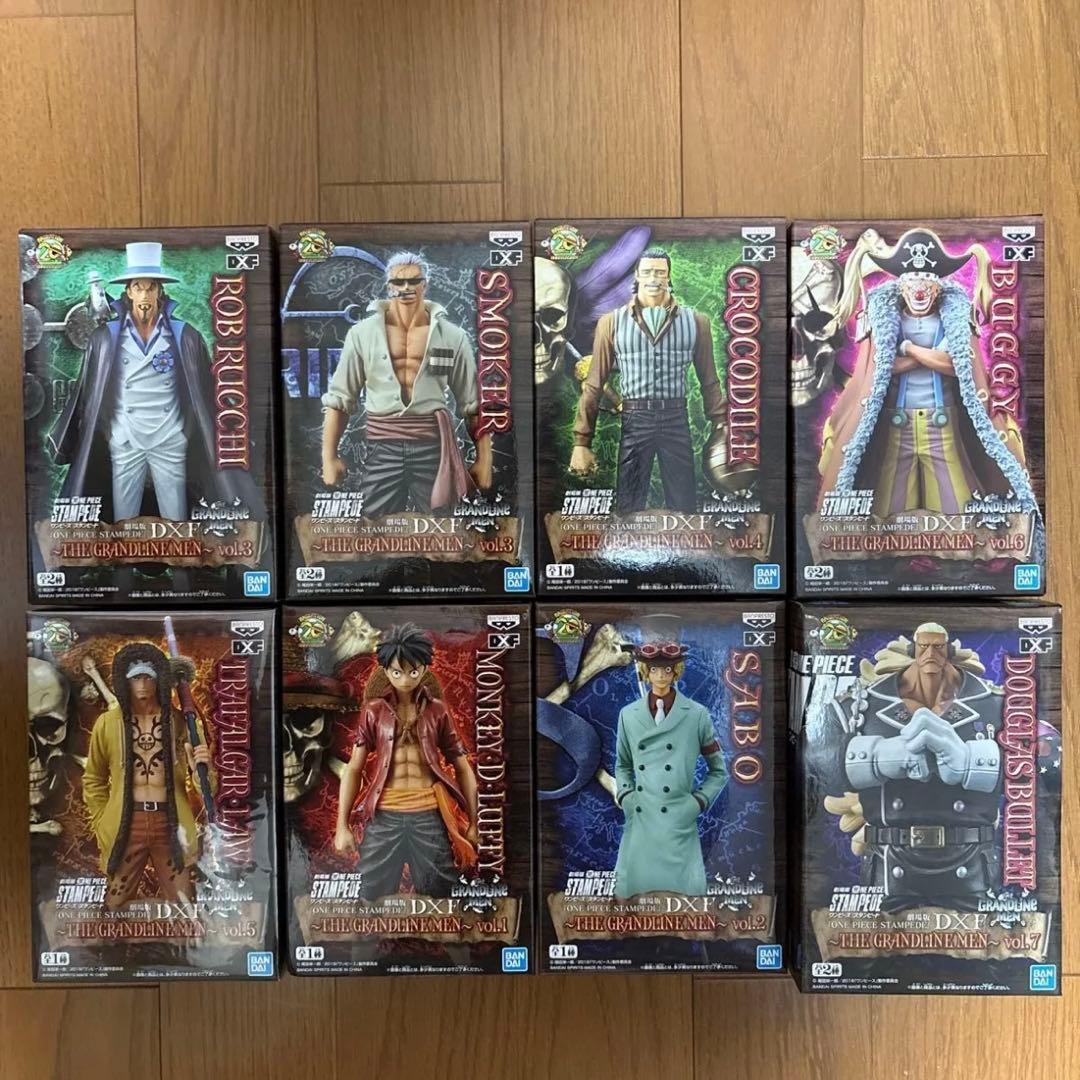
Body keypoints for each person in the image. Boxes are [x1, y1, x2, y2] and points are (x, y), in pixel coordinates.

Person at [817, 227, 1034, 519]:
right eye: (912, 283)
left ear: (937, 288)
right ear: (902, 287)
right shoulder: (883, 318)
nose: (919, 291)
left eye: (927, 283)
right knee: (886, 514)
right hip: (898, 424)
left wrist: (907, 348)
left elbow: (956, 365)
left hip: (942, 424)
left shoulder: (954, 319)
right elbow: (880, 367)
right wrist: (929, 357)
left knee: (961, 512)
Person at [49, 241, 256, 522]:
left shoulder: (185, 336)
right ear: (128, 292)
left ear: (160, 291)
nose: (144, 294)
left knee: (176, 519)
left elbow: (207, 392)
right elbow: (86, 392)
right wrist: (107, 432)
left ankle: (181, 552)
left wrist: (196, 431)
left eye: (151, 287)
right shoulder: (105, 338)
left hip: (169, 437)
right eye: (138, 287)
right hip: (125, 438)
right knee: (124, 521)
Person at [822, 622, 1003, 911]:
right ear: (912, 650)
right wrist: (876, 756)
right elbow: (814, 765)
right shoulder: (858, 706)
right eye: (923, 647)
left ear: (949, 650)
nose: (931, 654)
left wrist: (972, 762)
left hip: (971, 872)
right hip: (888, 871)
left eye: (938, 647)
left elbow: (1044, 766)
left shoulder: (997, 703)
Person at [321, 253, 492, 515]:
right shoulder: (362, 334)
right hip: (382, 446)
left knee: (443, 523)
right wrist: (329, 457)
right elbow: (340, 399)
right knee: (374, 523)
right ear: (388, 285)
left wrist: (484, 458)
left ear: (425, 284)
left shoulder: (452, 336)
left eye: (413, 281)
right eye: (398, 282)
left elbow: (472, 404)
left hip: (431, 445)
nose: (406, 288)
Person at [569, 249, 726, 513]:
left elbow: (709, 380)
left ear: (669, 276)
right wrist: (581, 442)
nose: (654, 278)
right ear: (637, 275)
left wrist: (722, 424)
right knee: (628, 507)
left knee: (684, 506)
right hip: (635, 419)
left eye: (660, 272)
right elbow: (594, 384)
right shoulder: (611, 322)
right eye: (647, 272)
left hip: (676, 418)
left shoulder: (697, 322)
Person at [334, 624, 479, 898]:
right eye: (397, 672)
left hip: (429, 814)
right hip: (384, 815)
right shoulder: (373, 711)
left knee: (441, 891)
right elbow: (353, 768)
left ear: (424, 669)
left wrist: (473, 821)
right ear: (386, 670)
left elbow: (462, 766)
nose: (404, 680)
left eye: (413, 671)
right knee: (370, 891)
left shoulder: (437, 710)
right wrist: (342, 826)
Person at [82, 642, 213, 908]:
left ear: (159, 679)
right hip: (126, 824)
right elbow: (94, 779)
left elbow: (208, 788)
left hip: (171, 824)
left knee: (184, 905)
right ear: (125, 681)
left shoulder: (182, 722)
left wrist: (203, 771)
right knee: (115, 902)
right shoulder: (107, 724)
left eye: (148, 677)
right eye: (135, 678)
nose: (142, 685)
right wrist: (102, 820)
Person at [612, 641, 727, 897]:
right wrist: (627, 796)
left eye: (667, 669)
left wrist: (697, 803)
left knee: (685, 906)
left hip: (679, 820)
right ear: (645, 671)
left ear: (676, 671)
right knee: (632, 904)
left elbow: (719, 771)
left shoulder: (697, 715)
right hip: (641, 819)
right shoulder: (627, 715)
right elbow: (623, 764)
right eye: (654, 669)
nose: (661, 676)